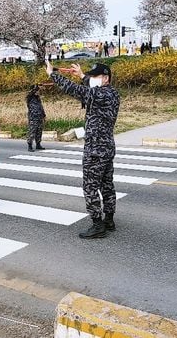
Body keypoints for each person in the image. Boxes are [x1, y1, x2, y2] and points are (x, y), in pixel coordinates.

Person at [46, 61, 119, 239]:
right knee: (107, 184)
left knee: (90, 186)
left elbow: (76, 90)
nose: (92, 79)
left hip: (95, 149)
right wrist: (81, 75)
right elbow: (88, 87)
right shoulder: (112, 93)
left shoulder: (99, 95)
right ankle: (109, 219)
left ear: (106, 78)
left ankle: (97, 224)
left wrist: (52, 74)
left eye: (95, 76)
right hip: (107, 146)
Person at [26, 85, 46, 152]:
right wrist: (36, 86)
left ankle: (38, 144)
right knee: (32, 132)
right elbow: (30, 92)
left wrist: (43, 115)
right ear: (34, 91)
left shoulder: (38, 98)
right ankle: (30, 145)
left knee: (39, 131)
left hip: (39, 117)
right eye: (37, 91)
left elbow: (41, 107)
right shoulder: (30, 98)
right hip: (33, 118)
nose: (38, 92)